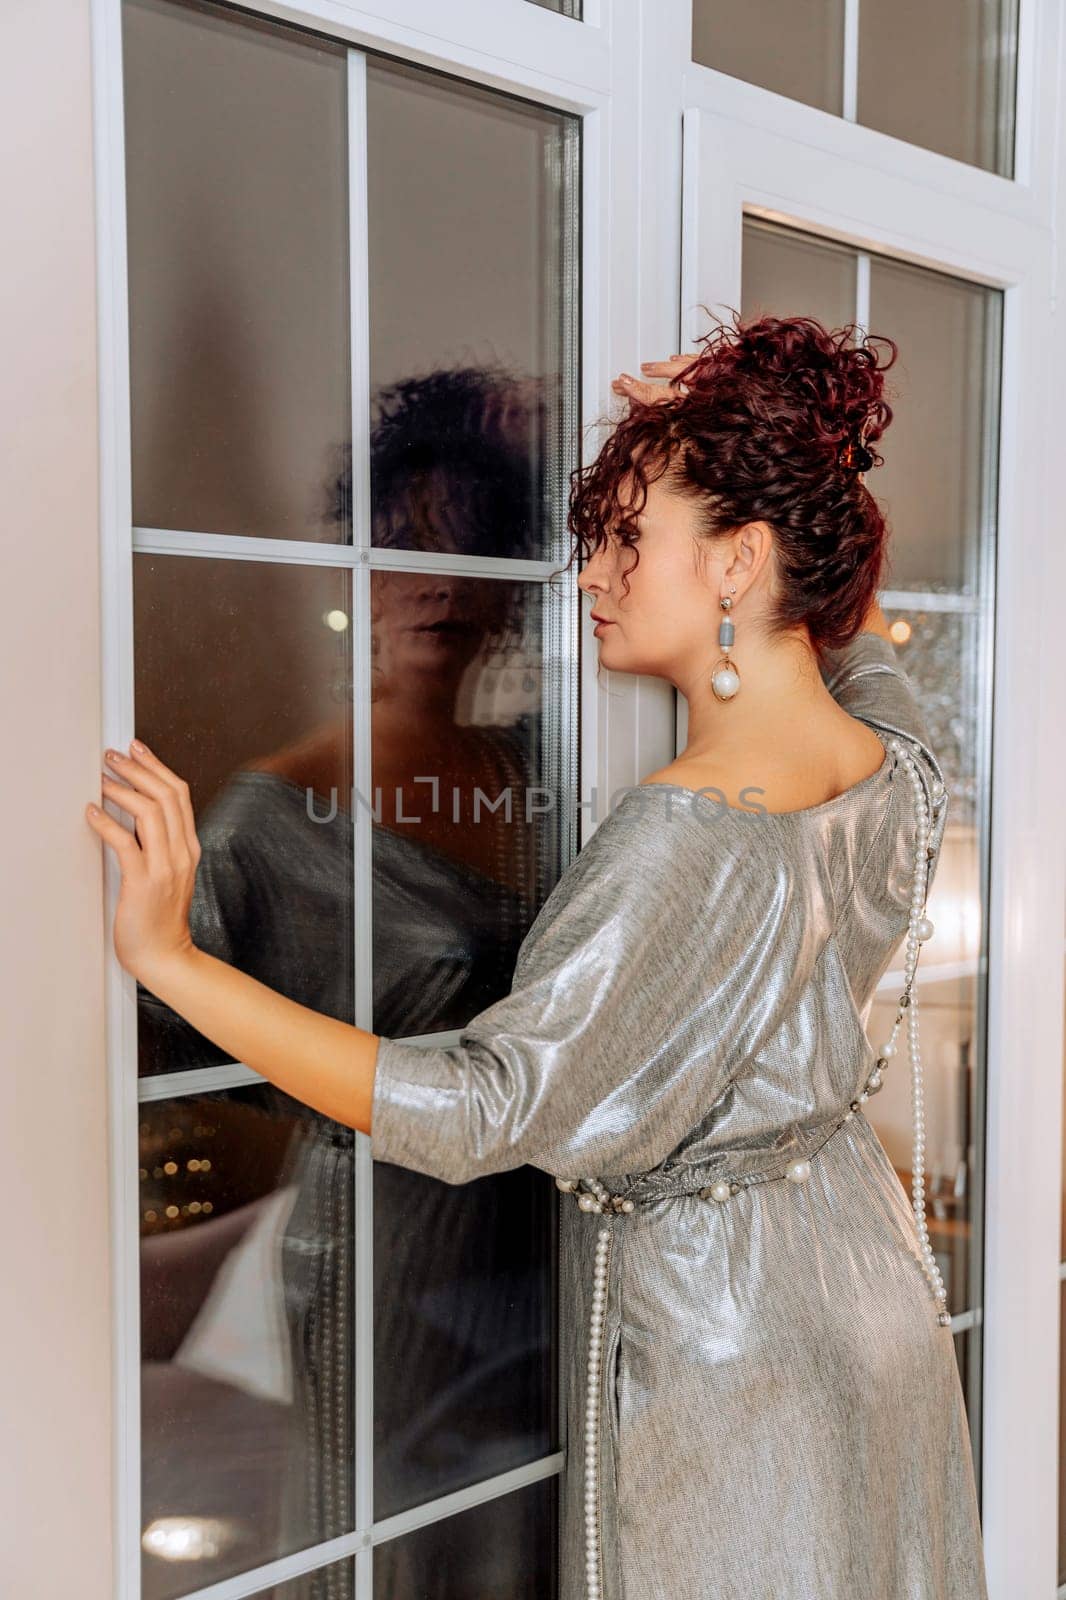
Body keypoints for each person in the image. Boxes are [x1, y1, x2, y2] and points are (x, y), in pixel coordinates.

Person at [86, 312, 988, 1598]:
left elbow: (480, 1103)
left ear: (737, 562)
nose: (594, 575)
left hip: (733, 1357)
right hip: (867, 1296)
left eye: (628, 538)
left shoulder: (688, 834)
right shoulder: (888, 767)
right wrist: (772, 449)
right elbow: (855, 648)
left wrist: (169, 953)